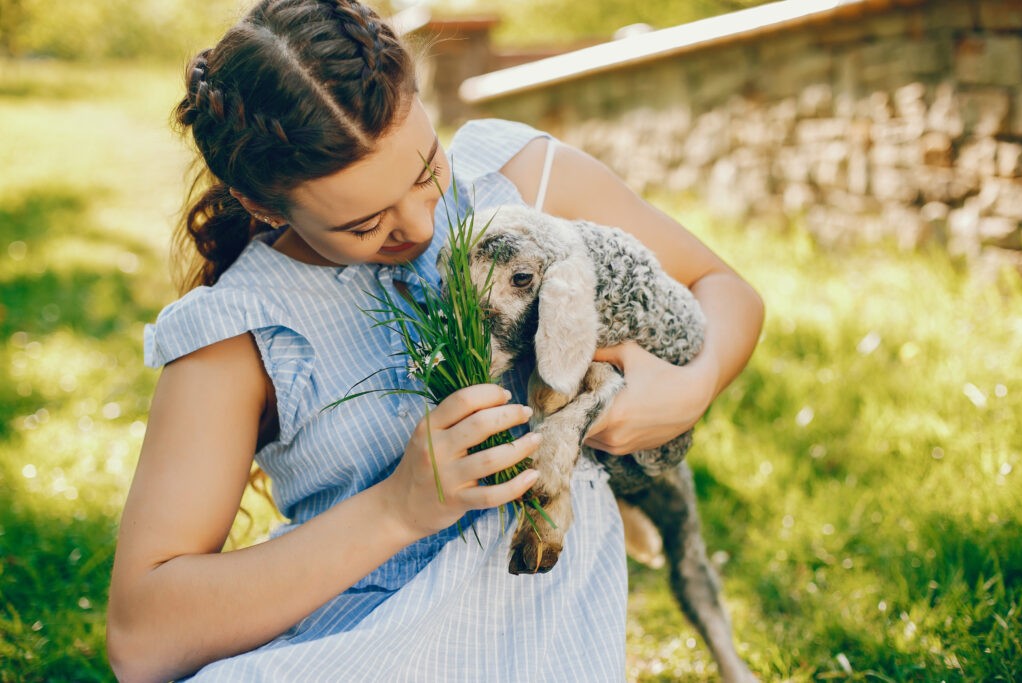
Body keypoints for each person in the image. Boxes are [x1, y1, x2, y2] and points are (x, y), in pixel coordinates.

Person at [105, 0, 764, 680]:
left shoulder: (524, 180)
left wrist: (693, 384)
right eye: (364, 224)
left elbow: (724, 287)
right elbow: (141, 638)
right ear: (266, 206)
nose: (421, 226)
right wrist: (397, 508)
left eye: (426, 170)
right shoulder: (244, 330)